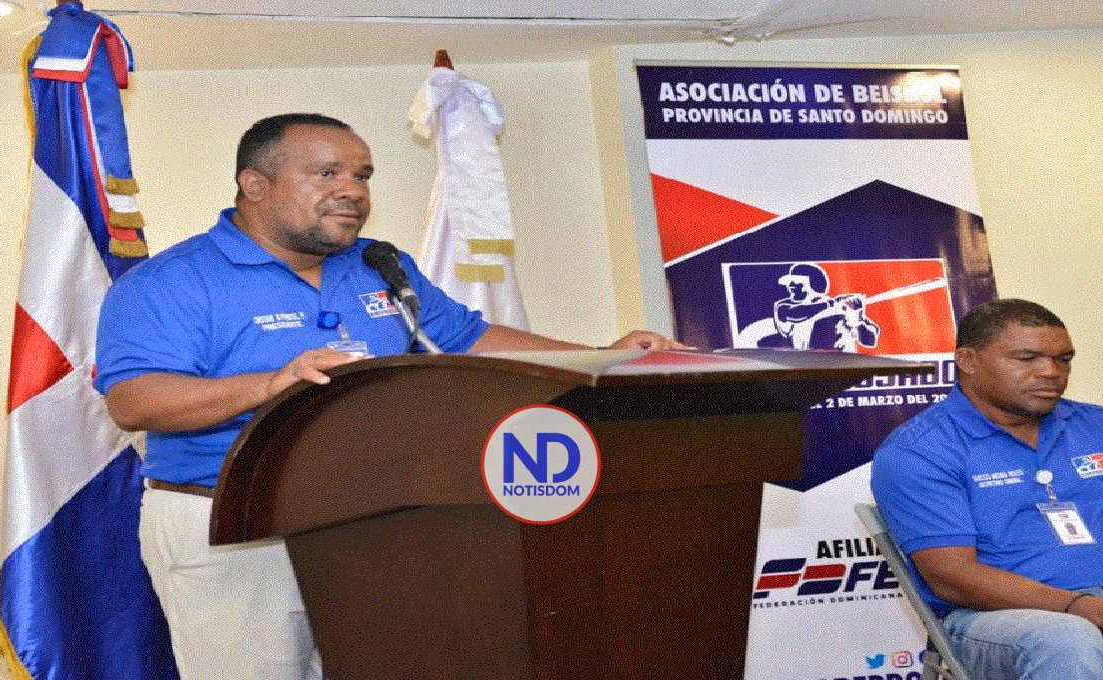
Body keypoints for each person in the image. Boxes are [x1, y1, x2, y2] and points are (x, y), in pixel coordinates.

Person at [93, 112, 686, 680]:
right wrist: (271, 385)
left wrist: (605, 356)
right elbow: (136, 400)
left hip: (372, 517)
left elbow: (468, 338)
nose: (352, 190)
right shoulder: (172, 281)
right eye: (327, 174)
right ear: (255, 183)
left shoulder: (379, 265)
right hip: (229, 520)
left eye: (363, 175)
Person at [871, 298, 1103, 680]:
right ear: (967, 361)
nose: (1050, 372)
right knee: (1068, 638)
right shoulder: (919, 450)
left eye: (1063, 360)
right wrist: (1095, 610)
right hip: (1001, 622)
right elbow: (952, 577)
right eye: (1026, 358)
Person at [772, 262, 879, 351]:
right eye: (789, 282)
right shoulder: (783, 306)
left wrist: (857, 316)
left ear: (812, 283)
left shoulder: (842, 308)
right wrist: (831, 304)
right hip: (806, 367)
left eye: (795, 282)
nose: (790, 286)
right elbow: (794, 314)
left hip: (842, 369)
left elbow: (870, 341)